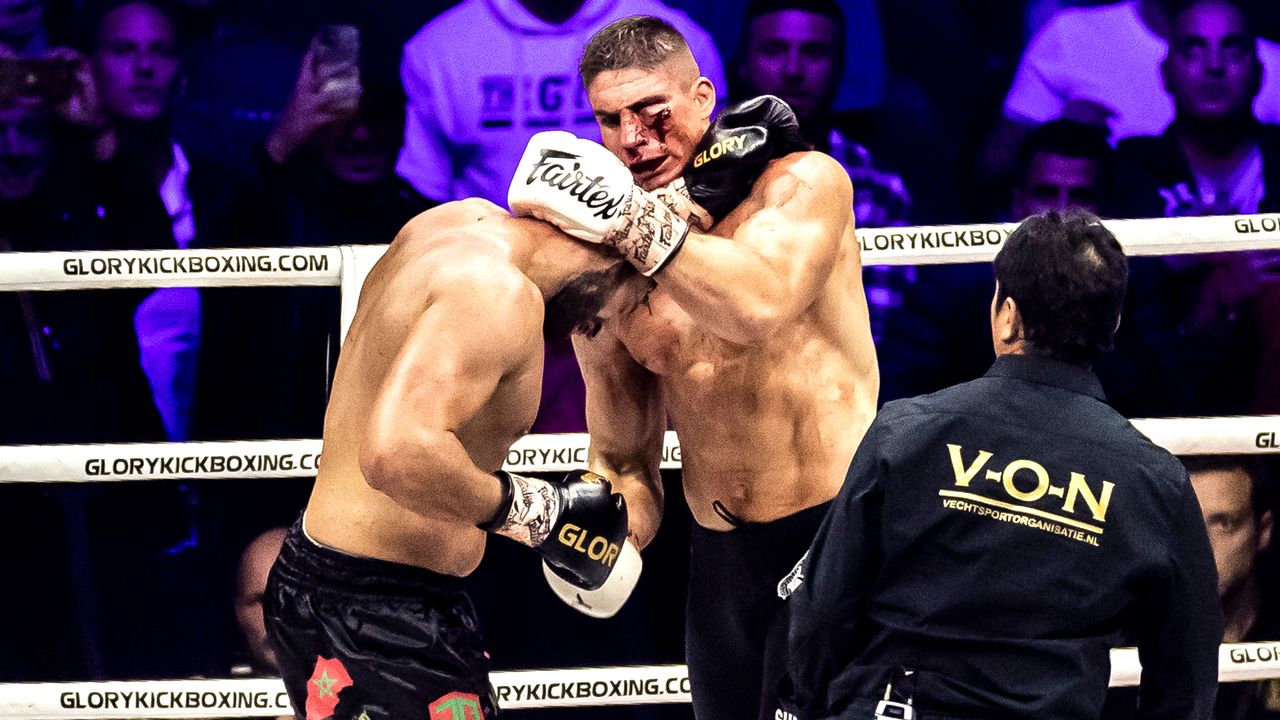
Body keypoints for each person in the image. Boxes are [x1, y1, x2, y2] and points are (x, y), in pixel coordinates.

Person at [505, 15, 877, 720]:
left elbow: (758, 303)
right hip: (718, 564)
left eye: (654, 113)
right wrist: (602, 526)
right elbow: (623, 455)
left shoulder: (801, 185)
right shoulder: (608, 271)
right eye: (611, 121)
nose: (634, 139)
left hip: (833, 537)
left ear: (704, 98)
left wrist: (633, 222)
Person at [781, 209, 1221, 720]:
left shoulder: (906, 432)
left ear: (1007, 313)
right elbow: (1186, 674)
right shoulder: (1153, 482)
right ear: (1113, 324)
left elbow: (823, 609)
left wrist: (802, 705)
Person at [263, 199, 650, 720]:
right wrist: (539, 514)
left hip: (348, 586)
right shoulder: (497, 296)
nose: (607, 324)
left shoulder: (449, 224)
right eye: (629, 299)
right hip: (375, 611)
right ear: (610, 254)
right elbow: (396, 453)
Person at [1186, 455, 1279, 720]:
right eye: (1187, 526)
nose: (1201, 548)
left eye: (1224, 524)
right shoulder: (1132, 639)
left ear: (1263, 530)